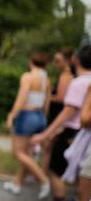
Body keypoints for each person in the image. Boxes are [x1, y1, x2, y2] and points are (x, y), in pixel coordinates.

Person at [32, 45, 91, 201]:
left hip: (75, 133)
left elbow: (68, 113)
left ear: (76, 60)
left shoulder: (79, 82)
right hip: (79, 133)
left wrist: (45, 134)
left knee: (56, 170)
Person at [4, 53, 51, 198]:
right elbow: (46, 103)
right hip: (40, 116)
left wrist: (12, 115)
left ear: (31, 62)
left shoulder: (28, 77)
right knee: (27, 153)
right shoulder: (46, 80)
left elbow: (21, 98)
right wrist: (43, 118)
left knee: (17, 152)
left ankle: (44, 180)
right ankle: (17, 183)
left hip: (27, 115)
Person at [43, 49, 76, 177]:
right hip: (58, 113)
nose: (55, 63)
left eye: (58, 61)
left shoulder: (65, 76)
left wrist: (47, 96)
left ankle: (44, 176)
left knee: (48, 146)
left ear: (66, 61)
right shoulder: (68, 76)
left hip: (57, 113)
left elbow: (61, 98)